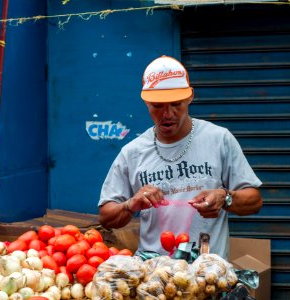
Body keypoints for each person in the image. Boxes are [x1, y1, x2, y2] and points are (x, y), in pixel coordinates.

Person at [98, 55, 262, 258]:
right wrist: (131, 204)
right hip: (155, 276)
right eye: (158, 106)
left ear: (190, 97)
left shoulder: (219, 139)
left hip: (207, 275)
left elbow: (255, 201)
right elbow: (106, 216)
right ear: (146, 102)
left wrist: (225, 198)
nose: (167, 113)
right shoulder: (133, 152)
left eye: (176, 104)